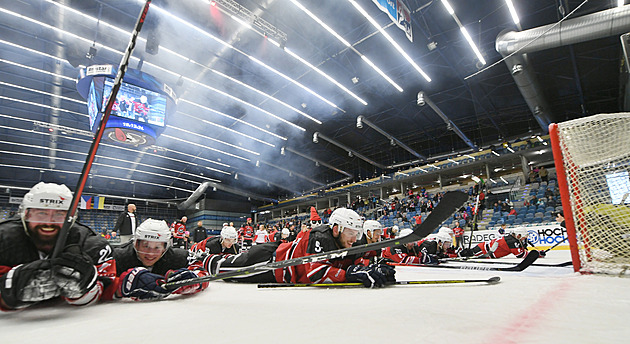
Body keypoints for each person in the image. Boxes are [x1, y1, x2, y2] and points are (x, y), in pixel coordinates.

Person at [201, 208, 396, 288]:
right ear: (337, 229)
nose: (355, 239)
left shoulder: (352, 241)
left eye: (357, 234)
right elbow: (317, 274)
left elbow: (354, 259)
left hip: (279, 253)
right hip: (271, 262)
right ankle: (200, 259)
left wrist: (370, 265)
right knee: (225, 270)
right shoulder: (322, 237)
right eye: (351, 233)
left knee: (229, 267)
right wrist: (352, 273)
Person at [0, 182, 117, 311]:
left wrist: (87, 289)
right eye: (41, 213)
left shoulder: (91, 244)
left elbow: (109, 287)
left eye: (59, 214)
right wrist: (6, 295)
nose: (49, 222)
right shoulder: (3, 238)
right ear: (26, 215)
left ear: (71, 218)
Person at [113, 219, 208, 300]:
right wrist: (120, 285)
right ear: (136, 244)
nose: (150, 253)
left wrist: (193, 281)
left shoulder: (178, 257)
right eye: (145, 246)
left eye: (157, 247)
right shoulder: (118, 256)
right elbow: (101, 281)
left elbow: (201, 272)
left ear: (165, 248)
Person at [459, 227, 544, 259]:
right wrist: (537, 254)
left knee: (469, 254)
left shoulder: (513, 239)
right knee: (468, 255)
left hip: (486, 250)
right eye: (524, 236)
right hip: (484, 250)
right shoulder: (512, 242)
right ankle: (455, 255)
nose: (525, 238)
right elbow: (520, 255)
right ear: (518, 235)